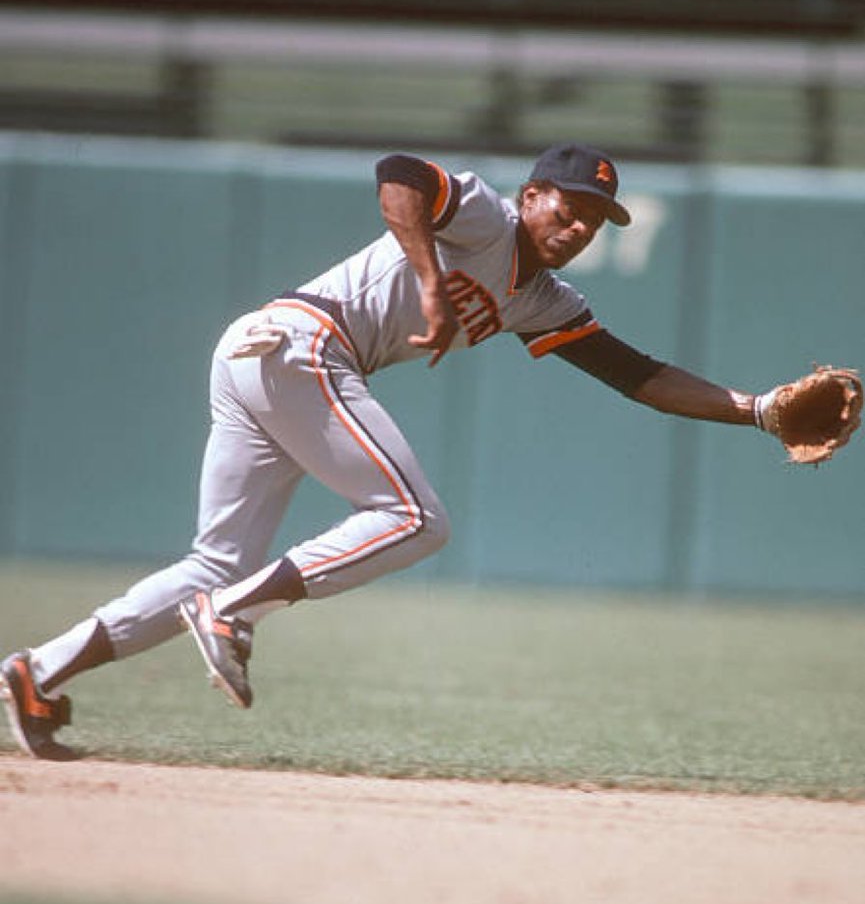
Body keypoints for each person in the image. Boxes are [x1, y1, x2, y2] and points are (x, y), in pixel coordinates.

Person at [1, 144, 774, 760]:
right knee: (415, 520)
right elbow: (399, 176)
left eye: (595, 220)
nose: (577, 228)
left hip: (262, 356)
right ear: (534, 195)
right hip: (303, 344)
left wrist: (757, 410)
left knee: (216, 563)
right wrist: (433, 282)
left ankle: (38, 673)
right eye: (569, 206)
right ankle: (234, 613)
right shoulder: (484, 214)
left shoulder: (543, 300)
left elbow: (635, 374)